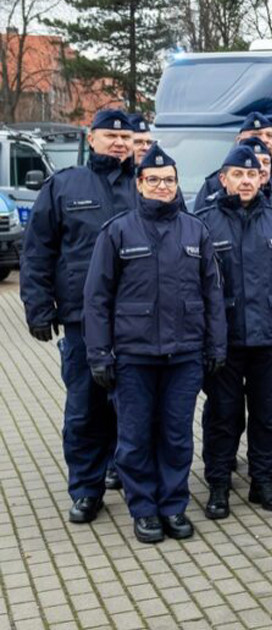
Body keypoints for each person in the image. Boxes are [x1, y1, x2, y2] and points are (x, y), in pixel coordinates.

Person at [82, 144, 226, 543]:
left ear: (178, 185)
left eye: (170, 180)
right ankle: (144, 508)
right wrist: (99, 353)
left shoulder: (196, 230)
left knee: (178, 434)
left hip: (184, 355)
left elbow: (213, 294)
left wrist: (216, 346)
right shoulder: (117, 231)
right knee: (135, 436)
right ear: (140, 184)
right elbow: (97, 299)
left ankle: (173, 505)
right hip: (134, 356)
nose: (163, 186)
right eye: (155, 180)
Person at [20, 109, 138, 524]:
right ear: (92, 139)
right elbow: (37, 251)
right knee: (86, 408)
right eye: (110, 136)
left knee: (134, 405)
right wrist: (37, 306)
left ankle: (128, 473)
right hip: (83, 319)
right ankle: (87, 489)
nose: (119, 144)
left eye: (125, 138)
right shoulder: (65, 187)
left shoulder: (147, 185)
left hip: (138, 320)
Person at [196, 146, 272, 519]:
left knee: (266, 416)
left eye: (252, 175)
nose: (246, 181)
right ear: (223, 179)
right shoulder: (202, 223)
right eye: (238, 175)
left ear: (262, 178)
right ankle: (218, 485)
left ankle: (262, 481)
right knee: (223, 416)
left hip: (271, 340)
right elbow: (192, 287)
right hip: (224, 342)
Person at [194, 113, 272, 212]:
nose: (265, 140)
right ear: (239, 140)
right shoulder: (215, 184)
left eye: (269, 135)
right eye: (256, 135)